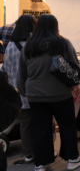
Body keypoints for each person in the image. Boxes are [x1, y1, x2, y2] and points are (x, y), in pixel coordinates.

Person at [17, 15, 80, 171]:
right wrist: (76, 82)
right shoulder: (62, 43)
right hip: (60, 93)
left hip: (35, 95)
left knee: (40, 128)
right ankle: (72, 159)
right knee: (67, 125)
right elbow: (75, 65)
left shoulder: (29, 46)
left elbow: (22, 72)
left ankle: (41, 163)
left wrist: (23, 91)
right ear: (55, 26)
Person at [2, 15, 37, 164]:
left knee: (24, 124)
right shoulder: (34, 44)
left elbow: (5, 69)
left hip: (18, 92)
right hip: (35, 91)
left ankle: (28, 154)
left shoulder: (10, 46)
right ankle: (42, 151)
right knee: (40, 122)